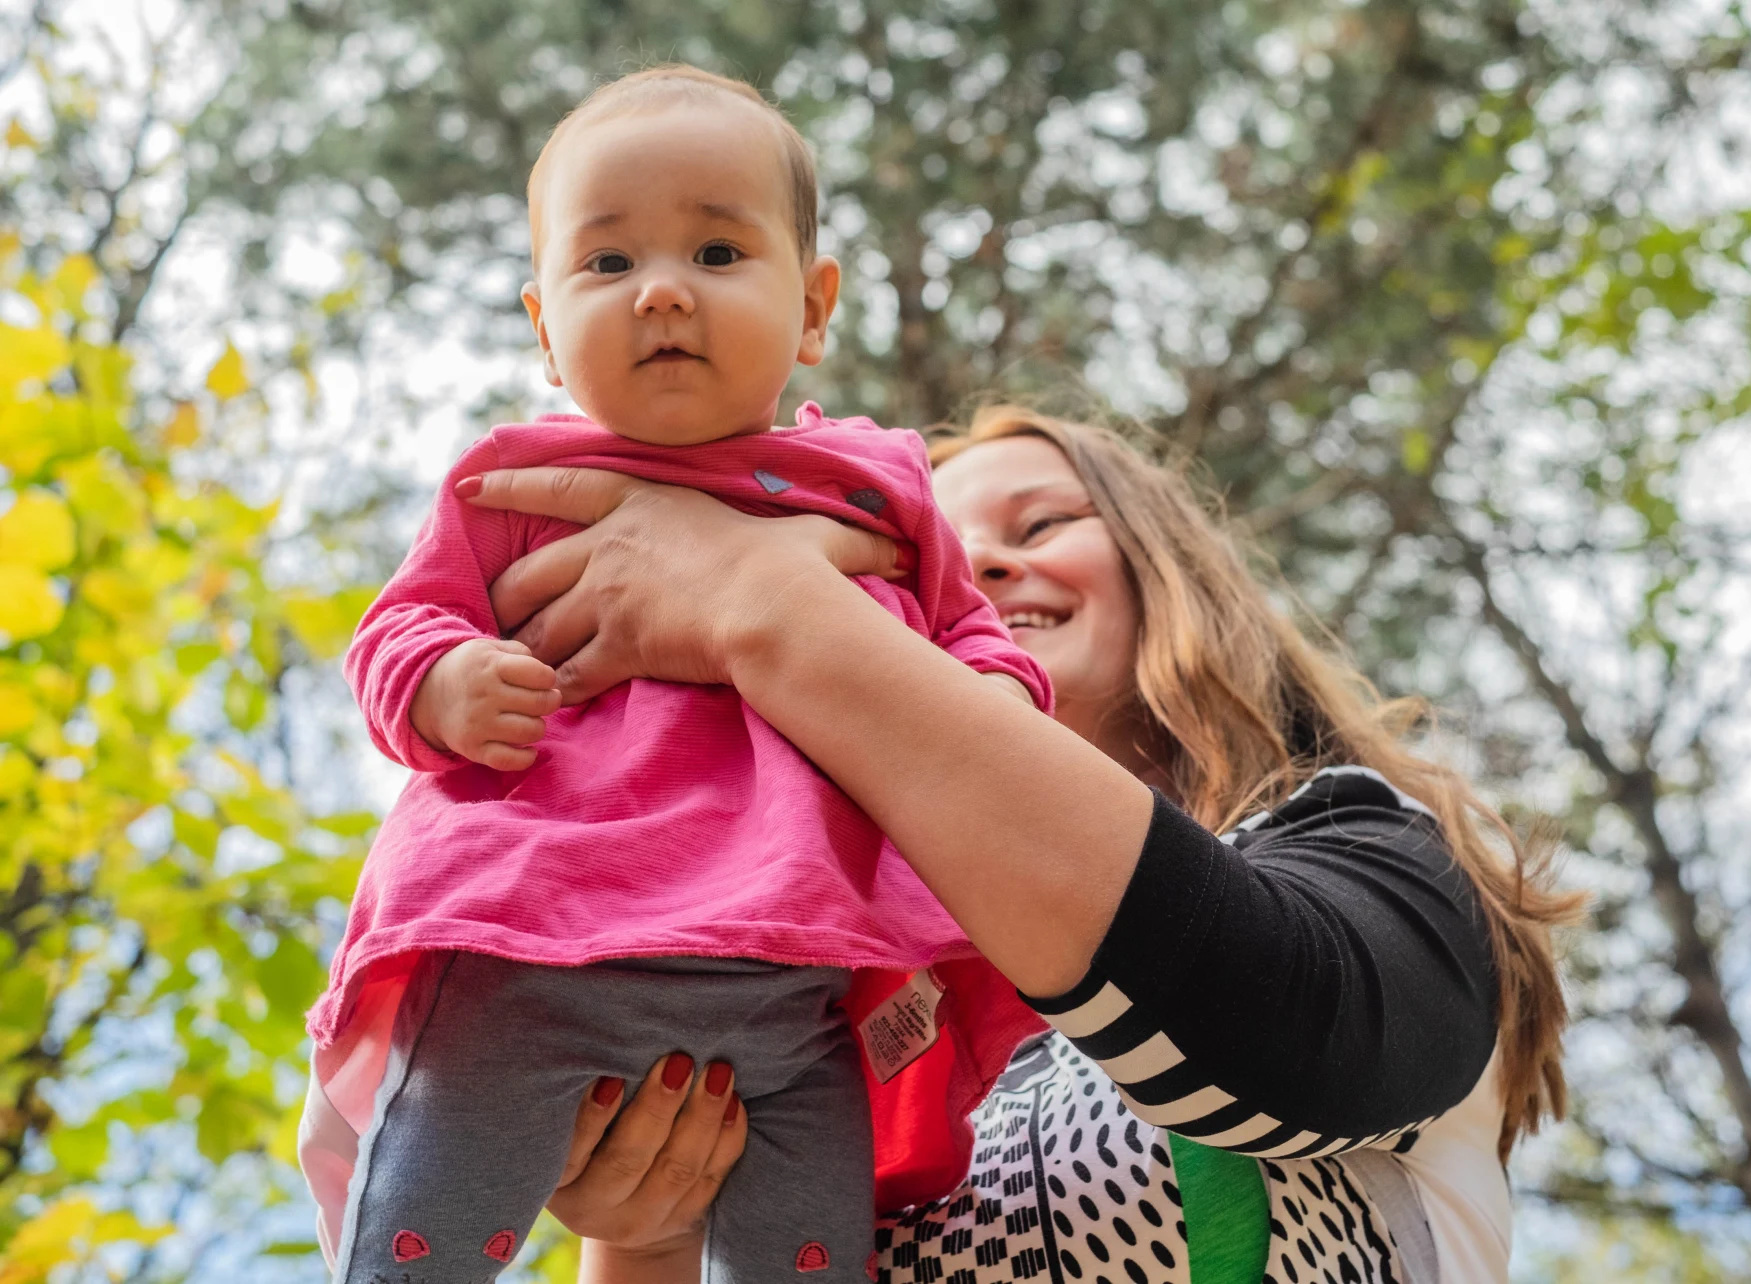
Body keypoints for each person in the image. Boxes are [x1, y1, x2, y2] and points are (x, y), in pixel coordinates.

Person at [455, 405, 1586, 1283]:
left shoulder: (1363, 855)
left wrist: (769, 601)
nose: (981, 569)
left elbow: (1282, 1035)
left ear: (1167, 569)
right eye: (920, 559)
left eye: (1039, 526)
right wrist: (643, 1230)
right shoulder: (813, 1014)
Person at [296, 66, 1055, 1284]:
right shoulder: (511, 488)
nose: (659, 291)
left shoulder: (879, 491)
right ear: (544, 330)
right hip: (528, 947)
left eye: (714, 249)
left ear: (812, 311)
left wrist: (994, 713)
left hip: (798, 986)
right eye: (606, 266)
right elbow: (394, 631)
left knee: (811, 1249)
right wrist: (444, 685)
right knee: (416, 1250)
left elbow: (979, 647)